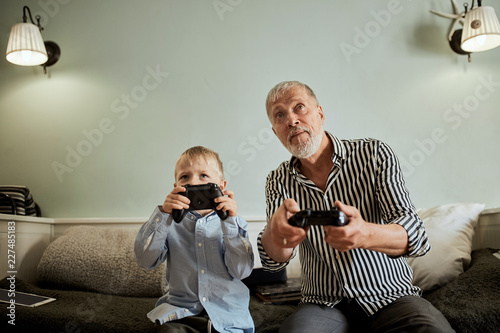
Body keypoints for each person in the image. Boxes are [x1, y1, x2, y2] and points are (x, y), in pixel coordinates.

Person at [258, 81, 454, 333]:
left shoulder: (374, 154)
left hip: (391, 296)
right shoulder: (277, 180)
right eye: (280, 115)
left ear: (320, 113)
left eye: (299, 108)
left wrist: (365, 234)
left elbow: (417, 237)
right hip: (322, 303)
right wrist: (277, 237)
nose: (292, 120)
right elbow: (274, 263)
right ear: (276, 132)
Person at [135, 146, 255, 333]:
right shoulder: (169, 224)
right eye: (184, 177)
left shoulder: (234, 224)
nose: (194, 183)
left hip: (227, 317)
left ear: (221, 187)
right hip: (180, 314)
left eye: (204, 176)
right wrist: (163, 215)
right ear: (176, 187)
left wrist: (230, 223)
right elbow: (144, 260)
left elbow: (241, 271)